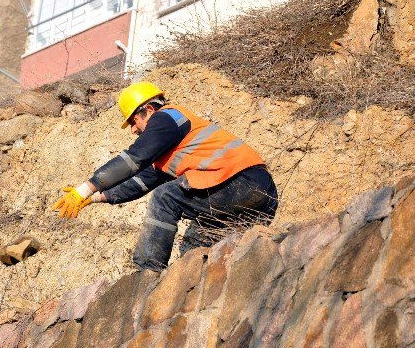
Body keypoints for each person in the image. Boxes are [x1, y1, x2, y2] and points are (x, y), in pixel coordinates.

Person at [53, 82, 278, 272]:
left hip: (245, 182)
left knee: (166, 196)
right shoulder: (169, 148)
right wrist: (94, 198)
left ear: (149, 110)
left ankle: (147, 273)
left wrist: (85, 188)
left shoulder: (168, 117)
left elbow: (135, 158)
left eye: (133, 121)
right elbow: (140, 182)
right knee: (201, 249)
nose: (133, 130)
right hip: (257, 193)